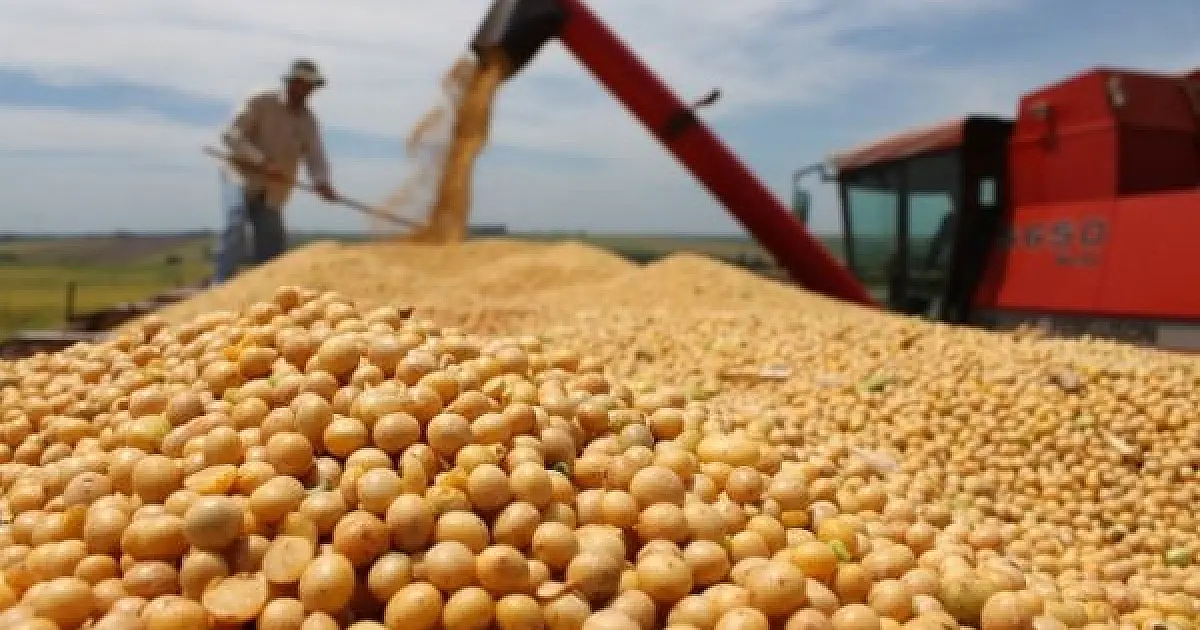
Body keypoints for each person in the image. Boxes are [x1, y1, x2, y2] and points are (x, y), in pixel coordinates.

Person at [212, 58, 340, 284]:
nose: (305, 90)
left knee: (271, 243)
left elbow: (315, 156)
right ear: (290, 82)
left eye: (310, 86)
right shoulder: (261, 100)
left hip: (274, 188)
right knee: (236, 222)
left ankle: (267, 291)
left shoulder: (308, 120)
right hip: (241, 175)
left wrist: (322, 182)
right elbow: (231, 136)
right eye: (300, 83)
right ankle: (221, 284)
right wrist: (262, 162)